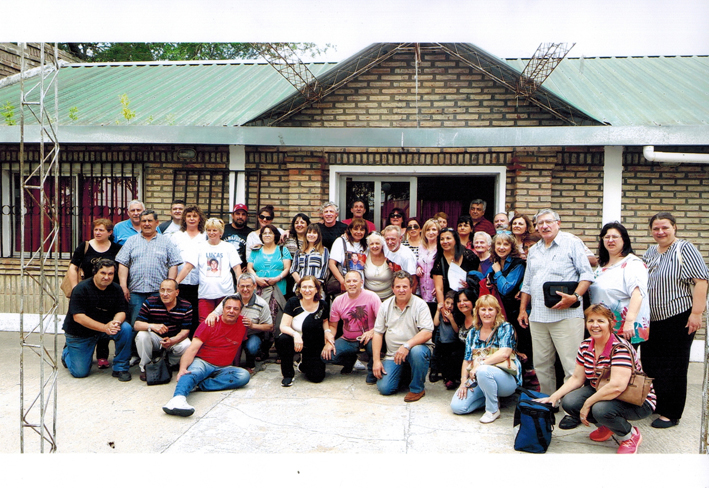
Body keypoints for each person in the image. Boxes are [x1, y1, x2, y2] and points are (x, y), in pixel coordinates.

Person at [535, 304, 656, 454]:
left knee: (600, 409)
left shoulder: (620, 348)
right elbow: (577, 378)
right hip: (604, 391)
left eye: (600, 321)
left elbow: (617, 386)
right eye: (591, 321)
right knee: (569, 402)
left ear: (611, 323)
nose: (595, 325)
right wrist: (554, 397)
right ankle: (608, 426)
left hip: (636, 399)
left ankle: (629, 435)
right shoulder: (586, 345)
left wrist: (588, 404)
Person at [518, 209, 594, 399]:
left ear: (558, 223)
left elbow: (587, 274)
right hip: (538, 316)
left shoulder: (572, 242)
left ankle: (571, 409)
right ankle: (549, 402)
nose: (544, 226)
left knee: (571, 365)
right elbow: (527, 282)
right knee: (542, 364)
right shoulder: (534, 250)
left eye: (548, 222)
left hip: (567, 315)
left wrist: (575, 297)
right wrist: (522, 310)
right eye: (540, 223)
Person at [642, 212, 708, 428]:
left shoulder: (684, 249)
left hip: (678, 317)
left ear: (674, 228)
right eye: (656, 229)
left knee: (674, 365)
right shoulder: (651, 251)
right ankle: (658, 404)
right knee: (652, 364)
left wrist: (696, 313)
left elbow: (701, 280)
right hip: (653, 319)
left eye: (665, 228)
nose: (660, 232)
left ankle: (671, 413)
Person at [162, 295, 250, 417]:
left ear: (240, 311)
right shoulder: (209, 323)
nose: (231, 311)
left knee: (243, 375)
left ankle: (199, 384)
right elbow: (192, 349)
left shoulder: (243, 324)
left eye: (235, 309)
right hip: (203, 362)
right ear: (222, 309)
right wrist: (182, 368)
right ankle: (177, 399)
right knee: (192, 373)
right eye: (228, 308)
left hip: (224, 367)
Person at [450, 295, 522, 423]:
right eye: (483, 310)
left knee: (483, 370)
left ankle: (492, 410)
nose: (487, 313)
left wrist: (480, 364)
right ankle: (490, 396)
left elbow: (505, 353)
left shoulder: (505, 327)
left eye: (490, 309)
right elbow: (467, 359)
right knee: (458, 407)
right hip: (479, 378)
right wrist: (463, 382)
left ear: (497, 311)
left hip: (506, 378)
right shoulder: (473, 332)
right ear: (477, 312)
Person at [61, 259, 133, 381]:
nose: (107, 277)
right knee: (80, 372)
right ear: (95, 273)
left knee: (126, 328)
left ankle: (120, 368)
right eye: (103, 273)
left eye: (110, 274)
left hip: (104, 331)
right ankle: (67, 353)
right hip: (80, 334)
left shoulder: (116, 289)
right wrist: (105, 327)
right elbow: (78, 317)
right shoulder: (81, 289)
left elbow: (121, 311)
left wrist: (115, 323)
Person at [67, 218, 122, 369]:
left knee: (107, 320)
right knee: (83, 319)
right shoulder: (85, 246)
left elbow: (122, 268)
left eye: (101, 230)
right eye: (95, 230)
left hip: (108, 291)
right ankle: (71, 350)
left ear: (110, 233)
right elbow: (73, 268)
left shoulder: (116, 248)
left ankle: (102, 355)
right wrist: (75, 288)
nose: (97, 233)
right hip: (87, 291)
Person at [372, 270, 434, 402]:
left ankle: (417, 388)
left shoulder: (420, 305)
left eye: (405, 286)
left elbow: (427, 332)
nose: (401, 290)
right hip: (393, 354)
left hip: (415, 350)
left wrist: (407, 345)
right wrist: (376, 361)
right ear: (392, 288)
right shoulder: (385, 306)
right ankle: (405, 374)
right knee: (385, 388)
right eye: (398, 287)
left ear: (411, 288)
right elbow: (377, 333)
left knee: (417, 352)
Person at [116, 209, 182, 328]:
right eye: (144, 221)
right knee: (136, 325)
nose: (147, 224)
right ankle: (135, 347)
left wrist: (169, 285)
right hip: (136, 293)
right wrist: (123, 286)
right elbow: (123, 264)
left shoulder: (166, 241)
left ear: (157, 223)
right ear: (140, 223)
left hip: (159, 292)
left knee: (159, 325)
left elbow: (174, 264)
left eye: (150, 221)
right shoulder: (131, 241)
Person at [589, 222, 650, 344]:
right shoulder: (602, 265)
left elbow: (637, 294)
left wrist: (629, 322)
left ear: (624, 240)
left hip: (624, 329)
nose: (610, 240)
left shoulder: (633, 263)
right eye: (607, 237)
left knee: (620, 362)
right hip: (602, 327)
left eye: (615, 237)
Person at [176, 218, 242, 324]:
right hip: (205, 294)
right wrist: (175, 282)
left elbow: (236, 268)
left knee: (223, 323)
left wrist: (240, 285)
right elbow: (188, 267)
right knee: (204, 324)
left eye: (215, 230)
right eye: (209, 230)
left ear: (221, 232)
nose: (211, 233)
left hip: (225, 293)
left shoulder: (228, 247)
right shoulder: (199, 247)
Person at [206, 272, 274, 372]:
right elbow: (215, 313)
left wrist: (252, 325)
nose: (245, 289)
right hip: (231, 333)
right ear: (237, 287)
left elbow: (269, 327)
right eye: (242, 286)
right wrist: (211, 316)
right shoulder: (230, 299)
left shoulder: (261, 303)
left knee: (253, 346)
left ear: (254, 286)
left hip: (251, 334)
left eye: (248, 286)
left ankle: (250, 363)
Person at [322, 271, 381, 384]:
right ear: (344, 283)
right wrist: (330, 340)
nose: (351, 284)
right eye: (348, 281)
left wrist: (372, 331)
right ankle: (349, 360)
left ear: (361, 282)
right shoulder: (338, 301)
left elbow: (383, 321)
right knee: (326, 356)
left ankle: (372, 371)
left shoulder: (372, 297)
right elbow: (333, 325)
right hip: (348, 339)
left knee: (373, 345)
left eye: (355, 281)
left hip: (369, 337)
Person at [133, 278, 192, 382]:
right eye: (162, 290)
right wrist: (152, 326)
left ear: (176, 292)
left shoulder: (186, 305)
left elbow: (185, 331)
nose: (165, 294)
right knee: (142, 335)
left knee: (187, 344)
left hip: (174, 339)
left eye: (169, 290)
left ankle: (169, 363)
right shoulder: (150, 302)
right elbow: (136, 325)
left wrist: (173, 341)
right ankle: (145, 367)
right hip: (156, 339)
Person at [275, 276, 330, 386]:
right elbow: (283, 326)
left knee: (317, 377)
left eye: (310, 287)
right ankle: (288, 374)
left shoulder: (323, 305)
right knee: (283, 339)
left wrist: (328, 333)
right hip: (294, 338)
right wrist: (295, 335)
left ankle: (303, 364)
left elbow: (324, 321)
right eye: (304, 287)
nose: (307, 290)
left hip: (312, 341)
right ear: (299, 289)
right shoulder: (293, 302)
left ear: (316, 289)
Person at [488, 233, 529, 362]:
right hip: (501, 311)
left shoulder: (518, 264)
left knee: (521, 347)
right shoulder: (496, 262)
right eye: (498, 244)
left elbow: (505, 289)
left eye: (506, 244)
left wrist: (497, 272)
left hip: (516, 312)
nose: (501, 247)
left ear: (512, 247)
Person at [170, 205, 207, 334]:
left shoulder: (205, 236)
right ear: (184, 218)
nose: (192, 219)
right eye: (189, 216)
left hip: (199, 282)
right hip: (180, 282)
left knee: (196, 314)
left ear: (200, 219)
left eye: (195, 216)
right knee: (180, 312)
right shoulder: (176, 236)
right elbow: (172, 260)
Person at [432, 228, 479, 307]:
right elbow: (439, 289)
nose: (445, 241)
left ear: (455, 240)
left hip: (469, 302)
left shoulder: (468, 256)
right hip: (450, 304)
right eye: (442, 239)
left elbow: (479, 277)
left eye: (448, 238)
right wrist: (443, 308)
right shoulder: (439, 261)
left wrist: (470, 284)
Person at [248, 224, 292, 304]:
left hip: (279, 287)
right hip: (259, 287)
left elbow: (287, 268)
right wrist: (257, 279)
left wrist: (277, 278)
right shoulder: (255, 250)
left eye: (270, 233)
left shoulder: (283, 250)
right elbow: (249, 268)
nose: (267, 235)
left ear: (275, 235)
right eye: (265, 233)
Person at [432, 290, 463, 389]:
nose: (449, 306)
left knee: (452, 361)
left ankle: (452, 378)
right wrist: (437, 311)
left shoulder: (456, 315)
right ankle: (445, 377)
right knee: (443, 360)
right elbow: (436, 323)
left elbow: (457, 330)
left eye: (452, 304)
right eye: (447, 303)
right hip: (442, 342)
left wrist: (451, 319)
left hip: (453, 342)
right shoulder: (442, 313)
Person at [329, 218, 369, 293]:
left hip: (361, 287)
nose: (358, 232)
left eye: (362, 230)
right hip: (345, 285)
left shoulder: (367, 245)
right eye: (356, 229)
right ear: (350, 230)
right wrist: (342, 282)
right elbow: (332, 264)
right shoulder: (341, 241)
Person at [290, 223, 329, 287]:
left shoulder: (323, 250)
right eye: (309, 232)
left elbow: (324, 272)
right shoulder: (299, 252)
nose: (311, 235)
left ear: (318, 235)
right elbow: (293, 270)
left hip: (317, 288)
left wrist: (313, 287)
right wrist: (302, 285)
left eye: (314, 233)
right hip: (300, 288)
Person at [364, 232, 394, 301]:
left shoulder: (389, 256)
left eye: (377, 243)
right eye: (372, 244)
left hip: (388, 298)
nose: (374, 246)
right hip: (369, 299)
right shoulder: (364, 256)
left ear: (382, 245)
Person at [222, 203, 254, 268]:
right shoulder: (223, 229)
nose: (240, 217)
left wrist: (248, 266)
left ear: (246, 217)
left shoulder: (251, 233)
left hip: (241, 270)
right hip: (224, 268)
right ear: (232, 215)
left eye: (243, 214)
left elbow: (253, 254)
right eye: (237, 214)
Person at [417, 219, 440, 305]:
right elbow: (420, 263)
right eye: (428, 230)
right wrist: (418, 268)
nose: (431, 232)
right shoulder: (421, 247)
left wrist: (440, 287)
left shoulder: (440, 248)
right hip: (422, 287)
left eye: (434, 229)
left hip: (435, 287)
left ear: (438, 232)